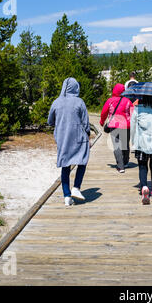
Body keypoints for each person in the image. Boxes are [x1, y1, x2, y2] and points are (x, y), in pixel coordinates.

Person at [48, 78, 90, 207]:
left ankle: (66, 195)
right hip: (78, 137)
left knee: (65, 165)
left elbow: (50, 121)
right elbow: (86, 123)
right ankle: (76, 187)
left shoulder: (56, 102)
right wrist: (87, 135)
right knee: (82, 160)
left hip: (62, 137)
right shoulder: (79, 102)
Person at [100, 84, 134, 173]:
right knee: (125, 144)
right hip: (126, 125)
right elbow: (133, 113)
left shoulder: (110, 101)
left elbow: (104, 112)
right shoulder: (128, 101)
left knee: (117, 146)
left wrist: (102, 121)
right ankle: (126, 162)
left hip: (114, 125)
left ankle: (120, 166)